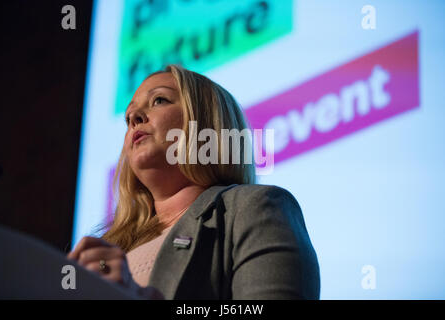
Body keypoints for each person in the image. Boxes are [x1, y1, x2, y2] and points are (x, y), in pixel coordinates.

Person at [67, 64, 320, 299]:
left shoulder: (256, 207)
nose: (135, 118)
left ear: (206, 123)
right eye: (128, 116)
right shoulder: (112, 246)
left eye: (159, 100)